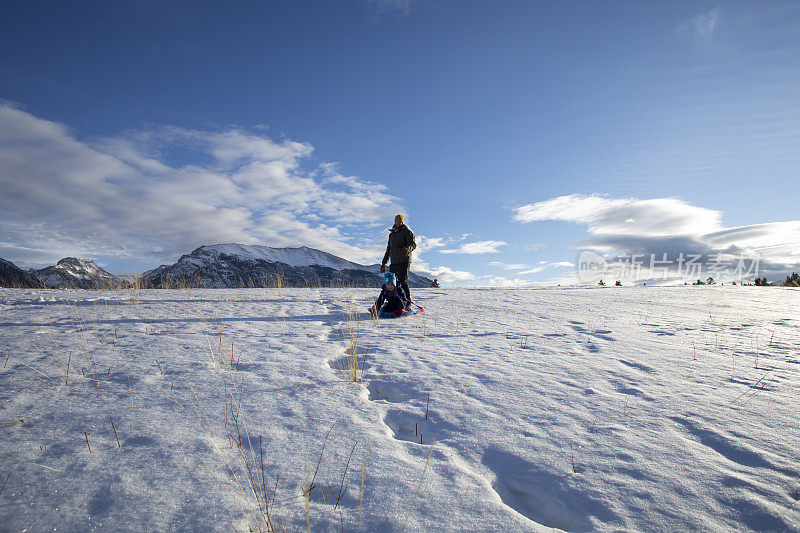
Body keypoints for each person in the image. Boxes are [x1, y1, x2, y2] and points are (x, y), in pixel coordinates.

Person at [380, 214, 416, 301]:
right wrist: (384, 263)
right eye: (397, 221)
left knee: (402, 281)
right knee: (391, 282)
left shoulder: (407, 232)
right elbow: (389, 249)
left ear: (402, 222)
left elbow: (413, 244)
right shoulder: (391, 235)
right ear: (394, 222)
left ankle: (407, 301)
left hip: (404, 260)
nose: (398, 223)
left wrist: (408, 249)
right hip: (394, 261)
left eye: (400, 221)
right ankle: (393, 301)